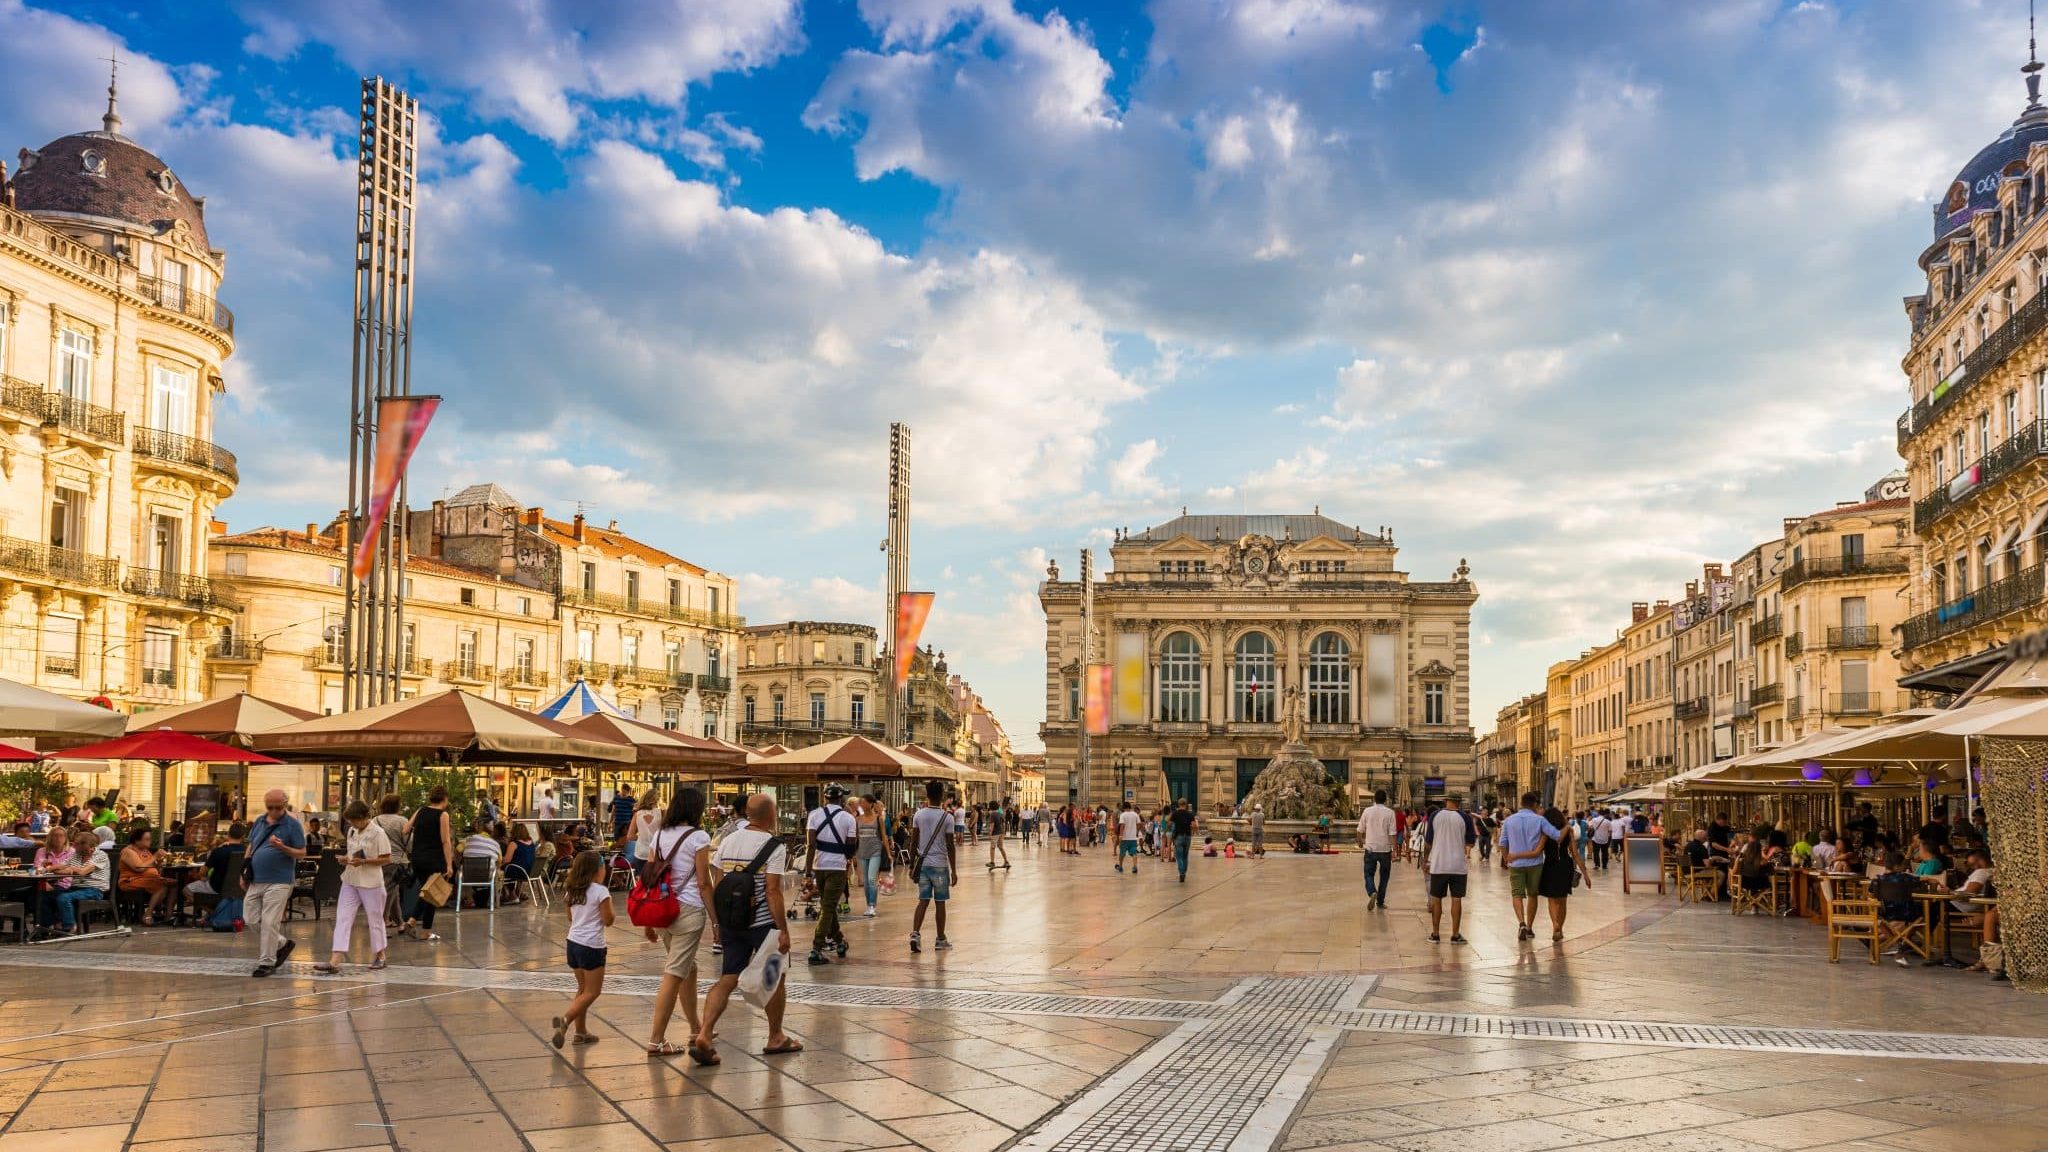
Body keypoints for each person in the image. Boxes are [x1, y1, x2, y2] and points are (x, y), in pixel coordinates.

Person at [692, 793, 800, 1064]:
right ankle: (775, 1036)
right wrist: (783, 929)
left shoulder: (728, 840)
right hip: (763, 923)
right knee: (775, 978)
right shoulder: (773, 845)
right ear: (771, 815)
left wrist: (718, 923)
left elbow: (718, 885)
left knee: (728, 977)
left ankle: (704, 1033)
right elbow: (773, 891)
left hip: (731, 921)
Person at [644, 787, 715, 1057]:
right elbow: (703, 882)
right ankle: (656, 1040)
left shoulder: (659, 835)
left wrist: (648, 921)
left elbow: (649, 879)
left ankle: (695, 1027)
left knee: (689, 967)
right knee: (674, 973)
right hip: (688, 910)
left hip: (662, 909)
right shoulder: (699, 836)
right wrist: (715, 920)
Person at [313, 801, 393, 974]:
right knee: (343, 917)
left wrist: (364, 861)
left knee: (375, 919)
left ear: (364, 818)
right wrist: (345, 859)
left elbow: (386, 858)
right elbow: (353, 853)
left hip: (371, 882)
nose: (352, 824)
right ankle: (335, 959)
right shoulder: (352, 831)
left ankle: (380, 955)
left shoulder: (378, 833)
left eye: (354, 821)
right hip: (350, 879)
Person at [551, 850, 613, 1050]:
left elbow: (570, 917)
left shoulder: (572, 890)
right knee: (593, 991)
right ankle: (566, 1021)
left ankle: (581, 1032)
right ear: (597, 871)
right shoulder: (600, 891)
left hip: (573, 943)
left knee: (582, 989)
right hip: (592, 945)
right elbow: (608, 919)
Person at [246, 790, 308, 977]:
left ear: (285, 804)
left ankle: (267, 962)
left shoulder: (293, 825)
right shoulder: (259, 821)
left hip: (280, 880)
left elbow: (302, 853)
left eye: (278, 807)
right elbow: (251, 845)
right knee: (250, 918)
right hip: (257, 878)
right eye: (270, 807)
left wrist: (282, 847)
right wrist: (244, 870)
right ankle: (282, 943)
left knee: (270, 921)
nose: (273, 811)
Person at [1497, 791, 1562, 942]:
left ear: (1521, 803)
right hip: (1535, 864)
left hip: (1516, 864)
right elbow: (1556, 835)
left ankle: (1521, 923)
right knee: (1533, 895)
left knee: (1517, 894)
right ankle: (1530, 928)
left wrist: (1507, 858)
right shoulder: (1539, 820)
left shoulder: (1509, 820)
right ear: (1534, 805)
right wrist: (1567, 828)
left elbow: (1502, 843)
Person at [804, 785, 857, 965]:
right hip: (838, 867)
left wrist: (807, 872)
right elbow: (851, 847)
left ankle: (840, 941)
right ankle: (816, 948)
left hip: (819, 866)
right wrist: (848, 857)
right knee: (828, 907)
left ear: (825, 798)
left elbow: (810, 846)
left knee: (828, 905)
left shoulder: (814, 815)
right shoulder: (849, 818)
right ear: (841, 800)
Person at [400, 787, 456, 942]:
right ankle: (420, 928)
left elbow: (405, 830)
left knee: (429, 892)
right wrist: (449, 864)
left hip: (417, 859)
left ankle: (415, 925)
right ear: (444, 799)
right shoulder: (443, 815)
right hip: (434, 859)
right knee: (432, 894)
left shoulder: (421, 810)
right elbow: (445, 841)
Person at [909, 780, 957, 953]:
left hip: (923, 864)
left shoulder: (919, 815)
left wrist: (910, 865)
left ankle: (915, 934)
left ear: (926, 795)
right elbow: (950, 846)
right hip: (940, 865)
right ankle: (940, 939)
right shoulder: (948, 817)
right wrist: (954, 870)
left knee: (923, 900)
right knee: (940, 902)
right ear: (942, 795)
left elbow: (913, 842)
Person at [1537, 805, 1593, 942]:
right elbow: (1575, 853)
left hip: (1550, 865)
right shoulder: (1568, 830)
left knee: (1552, 900)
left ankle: (1555, 925)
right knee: (1562, 900)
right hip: (1564, 865)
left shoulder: (1544, 831)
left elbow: (1539, 848)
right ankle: (1559, 928)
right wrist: (1585, 873)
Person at [1423, 795, 1474, 944]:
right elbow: (1470, 842)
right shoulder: (1465, 817)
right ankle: (1455, 934)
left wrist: (1426, 860)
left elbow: (1428, 842)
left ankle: (1435, 934)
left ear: (1446, 801)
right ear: (1459, 802)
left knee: (1436, 899)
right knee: (1456, 899)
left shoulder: (1435, 815)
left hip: (1439, 864)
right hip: (1458, 865)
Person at [118, 827, 175, 926]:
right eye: (147, 839)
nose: (150, 841)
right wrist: (155, 856)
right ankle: (147, 915)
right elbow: (139, 868)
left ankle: (168, 915)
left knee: (174, 883)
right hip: (130, 881)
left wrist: (159, 861)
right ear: (137, 841)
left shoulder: (145, 850)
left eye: (150, 839)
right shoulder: (128, 851)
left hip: (149, 880)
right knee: (161, 885)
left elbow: (152, 866)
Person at [32, 827, 83, 937]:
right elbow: (38, 869)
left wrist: (50, 869)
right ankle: (49, 925)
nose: (58, 838)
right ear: (50, 837)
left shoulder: (72, 852)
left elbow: (70, 870)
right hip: (43, 882)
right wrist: (44, 881)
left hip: (65, 884)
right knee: (24, 895)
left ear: (66, 838)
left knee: (42, 896)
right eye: (55, 835)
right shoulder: (42, 851)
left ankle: (47, 927)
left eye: (61, 835)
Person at [1356, 789, 1396, 909]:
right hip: (1385, 849)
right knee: (1384, 876)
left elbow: (1359, 830)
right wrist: (1394, 851)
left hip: (1371, 848)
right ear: (1385, 800)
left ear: (1374, 799)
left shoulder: (1367, 811)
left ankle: (1372, 891)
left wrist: (1359, 842)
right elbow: (1392, 833)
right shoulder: (1390, 813)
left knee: (1368, 873)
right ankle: (1380, 901)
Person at [855, 792, 888, 916]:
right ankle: (869, 904)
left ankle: (871, 905)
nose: (861, 805)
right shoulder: (857, 819)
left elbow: (884, 836)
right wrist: (853, 853)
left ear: (870, 804)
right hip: (862, 852)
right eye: (860, 802)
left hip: (875, 851)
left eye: (863, 802)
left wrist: (889, 854)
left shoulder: (878, 818)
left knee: (871, 879)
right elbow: (855, 837)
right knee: (866, 881)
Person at [627, 789, 661, 867]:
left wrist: (641, 836)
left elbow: (630, 836)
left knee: (641, 878)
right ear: (657, 800)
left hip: (641, 852)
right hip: (656, 852)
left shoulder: (637, 814)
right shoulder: (661, 813)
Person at [1169, 798, 1196, 883]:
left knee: (1179, 856)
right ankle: (1184, 871)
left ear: (1178, 804)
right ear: (1186, 804)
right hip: (1187, 836)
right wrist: (1192, 830)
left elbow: (1169, 823)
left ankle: (1181, 873)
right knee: (1185, 855)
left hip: (1178, 837)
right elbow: (1194, 826)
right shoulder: (1190, 814)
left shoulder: (1175, 813)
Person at [1115, 801, 1142, 875]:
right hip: (1133, 838)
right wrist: (1136, 832)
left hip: (1125, 838)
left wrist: (1120, 835)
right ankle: (1134, 866)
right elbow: (1139, 824)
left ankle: (1120, 866)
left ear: (1124, 807)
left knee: (1122, 853)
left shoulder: (1123, 815)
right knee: (1134, 853)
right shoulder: (1135, 814)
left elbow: (1122, 826)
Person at [986, 802, 1011, 871]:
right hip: (1001, 833)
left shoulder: (992, 814)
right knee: (1001, 847)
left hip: (995, 833)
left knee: (992, 847)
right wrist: (1003, 832)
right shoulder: (1001, 814)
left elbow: (992, 825)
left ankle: (992, 862)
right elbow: (1003, 824)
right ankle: (1006, 861)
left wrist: (990, 833)